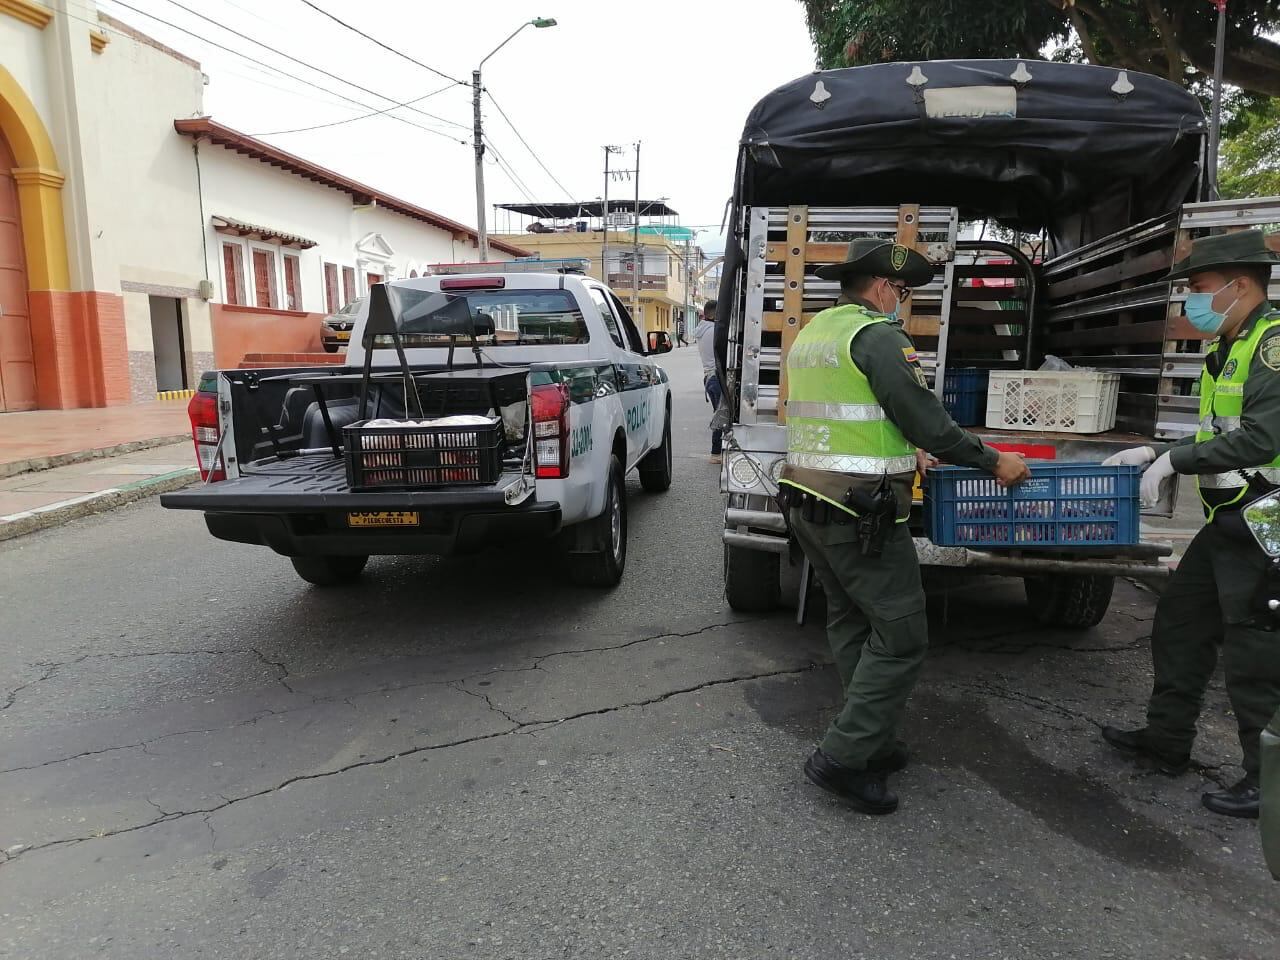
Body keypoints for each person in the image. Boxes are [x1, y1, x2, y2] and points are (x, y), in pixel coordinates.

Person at [780, 238, 1030, 815]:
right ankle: (842, 758)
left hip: (808, 499)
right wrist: (994, 461)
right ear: (885, 287)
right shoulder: (878, 336)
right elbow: (926, 418)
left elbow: (849, 410)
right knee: (902, 636)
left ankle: (873, 740)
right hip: (859, 510)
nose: (904, 304)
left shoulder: (817, 334)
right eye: (905, 293)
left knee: (849, 620)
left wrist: (907, 449)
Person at [1102, 229, 1280, 819]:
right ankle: (1166, 741)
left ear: (1240, 285)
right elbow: (1217, 435)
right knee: (1180, 623)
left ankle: (1270, 784)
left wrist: (1177, 462)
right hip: (1229, 522)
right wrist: (1157, 451)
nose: (1191, 305)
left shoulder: (1272, 346)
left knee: (1255, 657)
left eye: (1200, 290)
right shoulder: (1228, 349)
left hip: (1266, 525)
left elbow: (1263, 438)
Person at [695, 301, 723, 463]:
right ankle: (715, 453)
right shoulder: (713, 331)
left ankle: (718, 451)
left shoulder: (703, 330)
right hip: (716, 378)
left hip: (709, 378)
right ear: (713, 314)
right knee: (721, 415)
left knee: (719, 414)